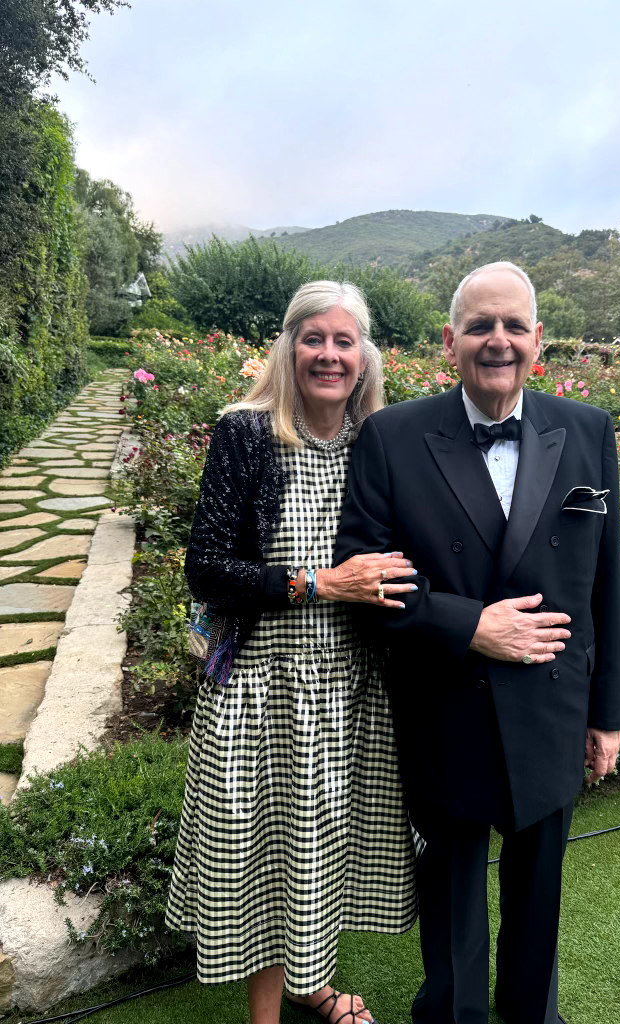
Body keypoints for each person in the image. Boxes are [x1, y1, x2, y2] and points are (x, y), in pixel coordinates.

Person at [334, 262, 620, 1024]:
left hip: (553, 703)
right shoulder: (391, 438)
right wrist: (475, 627)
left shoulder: (589, 431)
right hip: (445, 704)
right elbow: (368, 590)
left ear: (538, 339)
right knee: (455, 893)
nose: (496, 340)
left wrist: (609, 712)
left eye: (512, 325)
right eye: (479, 326)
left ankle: (534, 1013)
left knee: (541, 891)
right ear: (449, 340)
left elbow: (605, 585)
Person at [166, 280, 422, 1024]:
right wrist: (324, 583)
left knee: (323, 845)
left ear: (366, 355)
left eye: (345, 341)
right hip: (263, 686)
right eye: (315, 338)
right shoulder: (246, 433)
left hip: (350, 683)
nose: (330, 355)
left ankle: (314, 985)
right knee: (269, 856)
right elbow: (206, 567)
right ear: (288, 347)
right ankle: (267, 1015)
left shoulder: (380, 441)